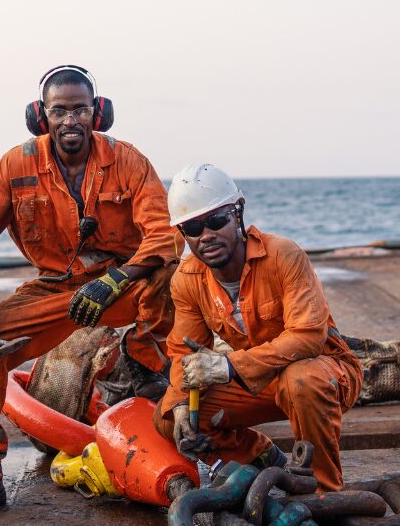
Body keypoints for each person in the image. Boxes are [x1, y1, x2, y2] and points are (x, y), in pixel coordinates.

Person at [0, 65, 177, 518]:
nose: (71, 120)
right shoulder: (16, 166)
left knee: (174, 275)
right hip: (54, 289)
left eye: (80, 109)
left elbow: (163, 235)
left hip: (120, 284)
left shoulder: (127, 161)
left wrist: (118, 279)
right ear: (41, 115)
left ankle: (145, 361)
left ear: (98, 112)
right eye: (60, 110)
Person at [155, 163, 362, 491]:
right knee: (168, 418)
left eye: (216, 220)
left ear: (237, 214)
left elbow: (308, 337)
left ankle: (325, 492)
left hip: (325, 372)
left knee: (302, 381)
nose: (206, 235)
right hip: (258, 378)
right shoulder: (187, 280)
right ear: (183, 234)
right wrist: (181, 406)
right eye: (193, 227)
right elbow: (184, 352)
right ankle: (264, 460)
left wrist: (226, 365)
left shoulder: (283, 256)